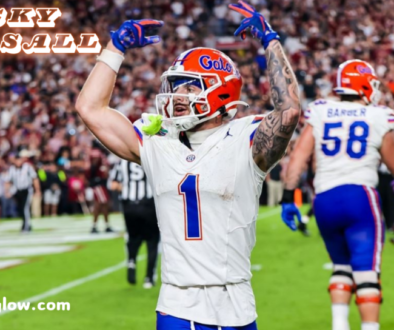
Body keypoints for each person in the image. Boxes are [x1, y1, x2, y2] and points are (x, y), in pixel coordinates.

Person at [75, 1, 301, 328]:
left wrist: (271, 42)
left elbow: (289, 112)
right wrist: (115, 49)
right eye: (176, 85)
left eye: (191, 85)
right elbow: (89, 108)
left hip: (238, 302)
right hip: (179, 304)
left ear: (221, 92)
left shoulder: (245, 137)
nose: (178, 94)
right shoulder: (156, 140)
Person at [280, 60, 394, 330]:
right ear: (365, 84)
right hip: (360, 197)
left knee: (341, 266)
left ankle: (339, 325)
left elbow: (298, 158)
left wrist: (287, 197)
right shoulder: (379, 115)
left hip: (325, 200)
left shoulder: (321, 110)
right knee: (366, 273)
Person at [110, 159, 160, 289]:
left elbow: (113, 185)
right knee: (152, 241)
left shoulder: (122, 162)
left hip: (129, 206)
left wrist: (127, 186)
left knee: (133, 238)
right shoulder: (151, 159)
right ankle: (149, 278)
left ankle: (131, 261)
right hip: (148, 204)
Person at [4, 151, 41, 232]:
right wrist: (7, 191)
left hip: (26, 190)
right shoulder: (12, 169)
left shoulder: (27, 167)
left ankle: (26, 226)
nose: (18, 162)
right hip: (18, 191)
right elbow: (8, 181)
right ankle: (27, 225)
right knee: (21, 209)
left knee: (25, 208)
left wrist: (37, 190)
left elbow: (34, 178)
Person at [89, 148, 113, 233]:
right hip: (98, 185)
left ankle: (106, 225)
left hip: (102, 184)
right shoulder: (96, 155)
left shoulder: (102, 157)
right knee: (99, 205)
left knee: (104, 205)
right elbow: (92, 168)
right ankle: (94, 226)